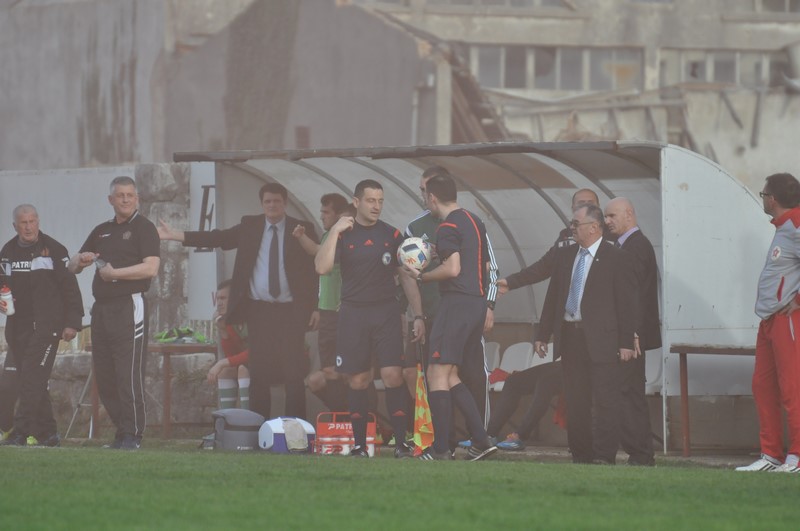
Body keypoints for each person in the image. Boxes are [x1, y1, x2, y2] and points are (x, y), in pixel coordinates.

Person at [158, 182, 318, 421]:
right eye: (267, 201)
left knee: (293, 372)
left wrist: (315, 306)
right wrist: (176, 235)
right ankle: (257, 428)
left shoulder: (302, 228)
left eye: (276, 201)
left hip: (291, 311)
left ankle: (296, 430)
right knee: (258, 371)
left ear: (285, 203)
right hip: (259, 309)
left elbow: (316, 268)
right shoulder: (250, 226)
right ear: (262, 204)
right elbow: (219, 238)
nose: (272, 205)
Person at [315, 179, 425, 458]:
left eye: (380, 201)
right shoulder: (343, 234)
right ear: (356, 202)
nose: (376, 206)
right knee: (359, 380)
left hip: (386, 312)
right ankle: (360, 445)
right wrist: (335, 231)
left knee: (392, 375)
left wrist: (419, 314)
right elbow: (322, 267)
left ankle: (401, 443)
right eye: (370, 200)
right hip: (353, 314)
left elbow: (407, 277)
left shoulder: (391, 234)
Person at [403, 173, 497, 461]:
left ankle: (441, 448)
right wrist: (436, 254)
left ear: (432, 198)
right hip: (476, 304)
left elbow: (453, 268)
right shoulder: (473, 220)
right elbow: (474, 261)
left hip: (455, 304)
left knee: (436, 372)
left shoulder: (446, 227)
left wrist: (423, 275)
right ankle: (480, 440)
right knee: (451, 374)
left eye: (425, 196)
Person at [535, 204, 636, 464]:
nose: (571, 228)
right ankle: (581, 454)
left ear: (593, 227)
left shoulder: (616, 258)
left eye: (575, 224)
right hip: (571, 337)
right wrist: (542, 334)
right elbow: (553, 297)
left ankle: (604, 456)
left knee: (605, 401)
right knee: (576, 401)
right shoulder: (566, 255)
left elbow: (625, 304)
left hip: (603, 340)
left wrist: (626, 342)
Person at [68, 177, 160, 450]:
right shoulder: (102, 231)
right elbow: (72, 267)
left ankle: (133, 435)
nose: (125, 199)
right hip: (102, 310)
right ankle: (122, 433)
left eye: (130, 195)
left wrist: (114, 274)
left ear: (137, 199)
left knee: (127, 374)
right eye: (120, 195)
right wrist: (81, 260)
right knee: (105, 375)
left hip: (129, 306)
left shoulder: (145, 228)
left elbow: (151, 268)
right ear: (111, 200)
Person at [0, 205, 83, 447]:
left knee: (32, 379)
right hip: (17, 328)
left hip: (47, 327)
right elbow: (3, 285)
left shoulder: (54, 250)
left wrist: (72, 322)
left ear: (38, 222)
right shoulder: (7, 251)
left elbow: (70, 287)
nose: (28, 226)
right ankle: (48, 433)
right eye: (23, 223)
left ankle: (20, 432)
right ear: (15, 226)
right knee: (27, 379)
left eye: (32, 221)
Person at [737, 172, 800, 473]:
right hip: (769, 320)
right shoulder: (784, 227)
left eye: (762, 194)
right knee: (763, 386)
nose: (762, 199)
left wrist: (797, 301)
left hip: (789, 321)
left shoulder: (797, 224)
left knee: (792, 389)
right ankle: (771, 455)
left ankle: (797, 456)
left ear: (772, 199)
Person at [604, 197, 660, 466]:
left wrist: (631, 333)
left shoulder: (636, 247)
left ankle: (641, 454)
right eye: (605, 216)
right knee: (626, 393)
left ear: (629, 214)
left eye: (612, 216)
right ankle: (638, 453)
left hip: (632, 338)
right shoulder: (626, 246)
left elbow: (634, 294)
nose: (607, 221)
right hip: (629, 335)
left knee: (630, 395)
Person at [293, 193, 351, 412]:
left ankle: (356, 421)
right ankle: (345, 420)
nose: (322, 216)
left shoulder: (344, 236)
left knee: (343, 373)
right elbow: (317, 253)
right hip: (327, 312)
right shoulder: (330, 235)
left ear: (339, 215)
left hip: (340, 313)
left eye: (326, 212)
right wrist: (301, 237)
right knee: (328, 373)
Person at [496, 188, 599, 294]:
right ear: (573, 208)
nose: (586, 206)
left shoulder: (611, 235)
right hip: (572, 304)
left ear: (599, 206)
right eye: (581, 203)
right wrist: (510, 282)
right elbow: (545, 266)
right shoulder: (566, 236)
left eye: (591, 203)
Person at [488, 360, 564, 451]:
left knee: (545, 381)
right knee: (513, 381)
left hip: (579, 365)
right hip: (563, 362)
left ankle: (519, 436)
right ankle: (490, 435)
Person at [206, 279, 250, 410]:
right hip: (254, 364)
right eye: (217, 299)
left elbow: (256, 352)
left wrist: (221, 363)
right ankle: (227, 422)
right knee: (225, 371)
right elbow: (233, 357)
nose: (219, 303)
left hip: (282, 362)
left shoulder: (252, 317)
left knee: (242, 369)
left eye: (223, 298)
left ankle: (247, 422)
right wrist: (223, 330)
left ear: (236, 299)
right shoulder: (230, 320)